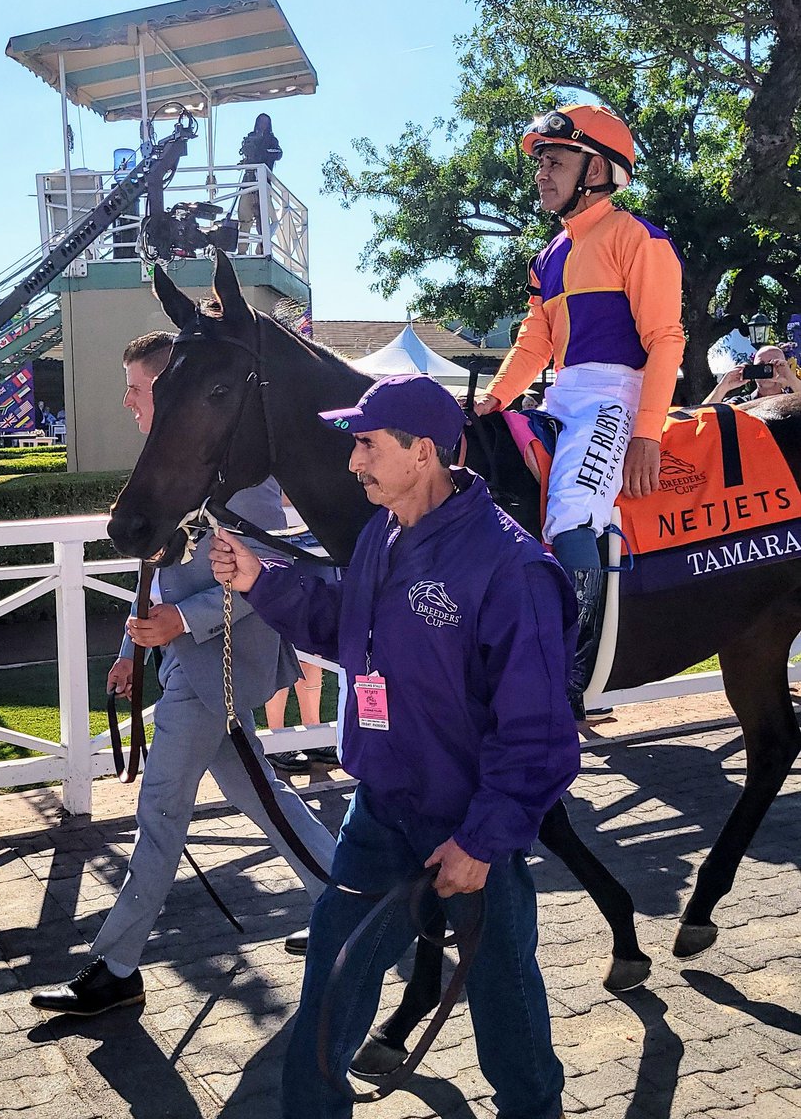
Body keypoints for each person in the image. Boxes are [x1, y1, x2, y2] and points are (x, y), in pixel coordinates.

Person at [210, 373, 580, 1119]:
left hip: (470, 827)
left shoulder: (512, 568)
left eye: (368, 445)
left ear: (424, 453)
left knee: (504, 1008)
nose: (353, 462)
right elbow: (349, 631)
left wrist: (480, 840)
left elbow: (538, 734)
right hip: (379, 811)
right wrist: (262, 579)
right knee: (331, 987)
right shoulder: (383, 531)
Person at [30, 332, 336, 1018]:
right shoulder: (173, 464)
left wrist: (184, 623)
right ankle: (345, 900)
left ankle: (116, 966)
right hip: (190, 671)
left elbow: (262, 575)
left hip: (216, 675)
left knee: (160, 813)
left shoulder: (243, 482)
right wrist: (131, 650)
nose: (129, 401)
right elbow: (155, 569)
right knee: (264, 799)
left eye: (138, 389)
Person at [474, 104, 685, 715]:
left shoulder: (640, 238)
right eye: (540, 162)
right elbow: (534, 340)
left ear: (598, 169)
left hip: (617, 394)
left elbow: (666, 339)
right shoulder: (550, 254)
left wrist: (646, 435)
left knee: (569, 514)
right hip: (560, 392)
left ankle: (573, 669)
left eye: (556, 160)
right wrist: (494, 401)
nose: (542, 172)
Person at [265, 496, 339, 772]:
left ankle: (315, 733)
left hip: (315, 545)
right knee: (277, 643)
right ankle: (276, 740)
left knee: (314, 644)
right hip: (276, 545)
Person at [237, 113, 282, 253]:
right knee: (244, 216)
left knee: (263, 219)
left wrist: (263, 152)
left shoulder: (271, 140)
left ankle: (261, 250)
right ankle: (242, 250)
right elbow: (245, 152)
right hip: (248, 181)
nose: (262, 125)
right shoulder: (251, 137)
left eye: (265, 122)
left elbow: (278, 154)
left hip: (262, 181)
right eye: (261, 122)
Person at [703, 344, 800, 404]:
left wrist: (791, 379)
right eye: (760, 365)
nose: (766, 369)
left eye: (773, 364)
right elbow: (700, 417)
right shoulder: (739, 404)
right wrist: (723, 387)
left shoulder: (793, 402)